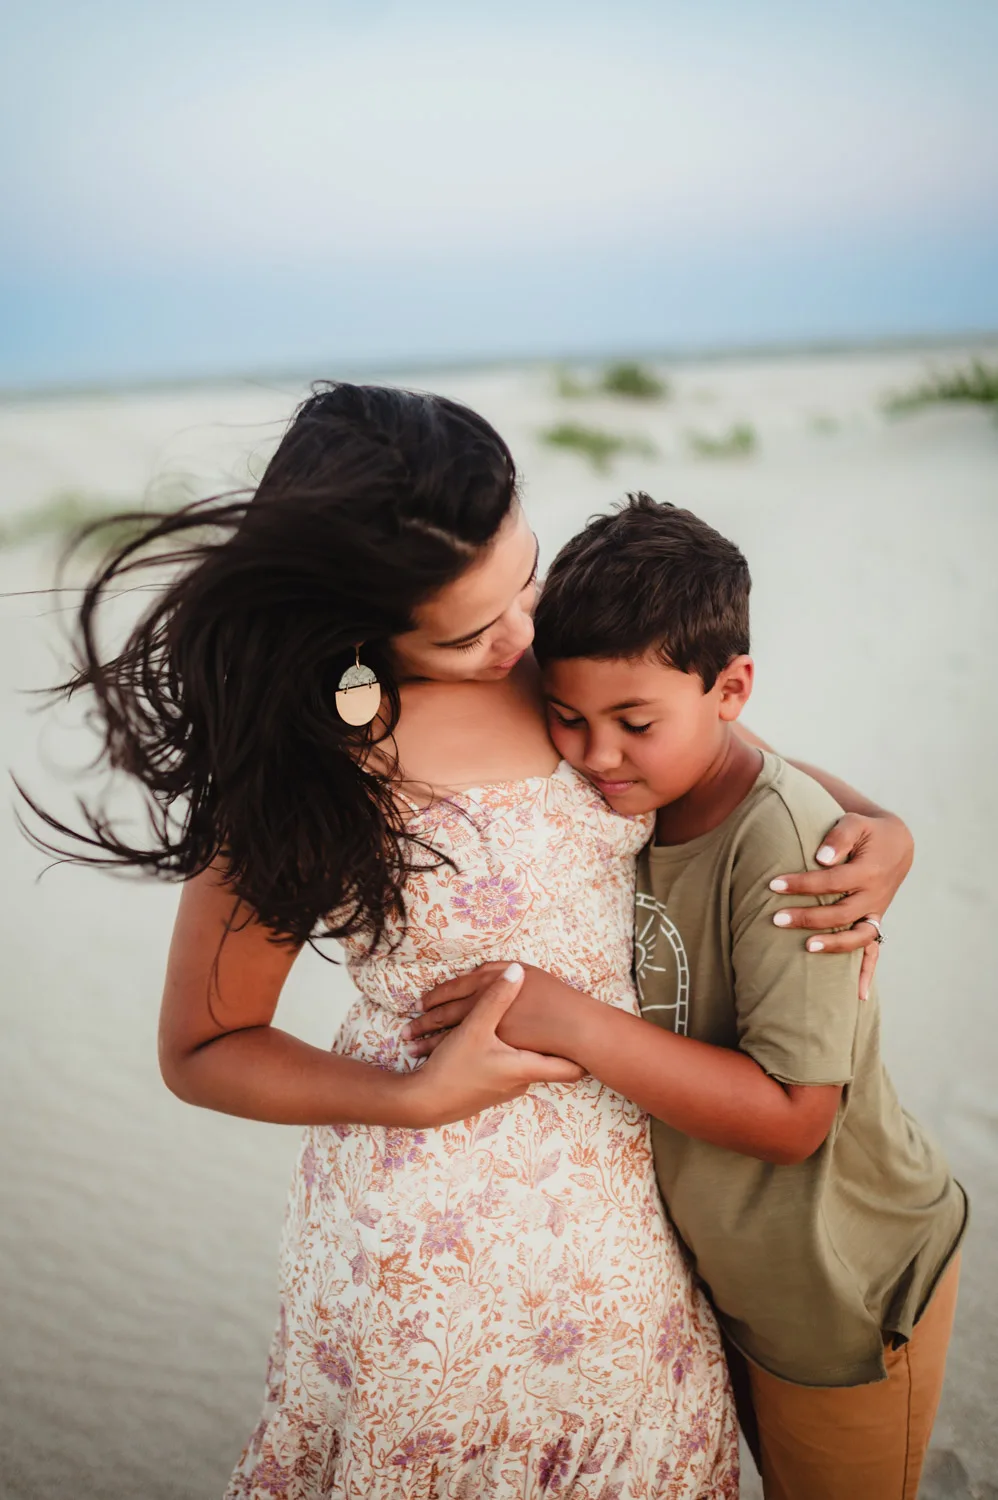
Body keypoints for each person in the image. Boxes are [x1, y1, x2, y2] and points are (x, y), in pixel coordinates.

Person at [26, 388, 912, 1500]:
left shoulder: (562, 667)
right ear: (357, 630)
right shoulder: (307, 769)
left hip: (631, 1214)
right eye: (465, 630)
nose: (520, 635)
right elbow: (201, 1047)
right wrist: (410, 1099)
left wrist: (887, 837)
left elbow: (748, 771)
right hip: (422, 1251)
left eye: (522, 574)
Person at [408, 494, 967, 1500]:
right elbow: (665, 725)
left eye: (632, 725)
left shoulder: (791, 858)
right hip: (718, 1274)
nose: (595, 756)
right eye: (567, 720)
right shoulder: (641, 788)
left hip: (839, 1283)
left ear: (732, 688)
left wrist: (570, 1020)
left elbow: (795, 1119)